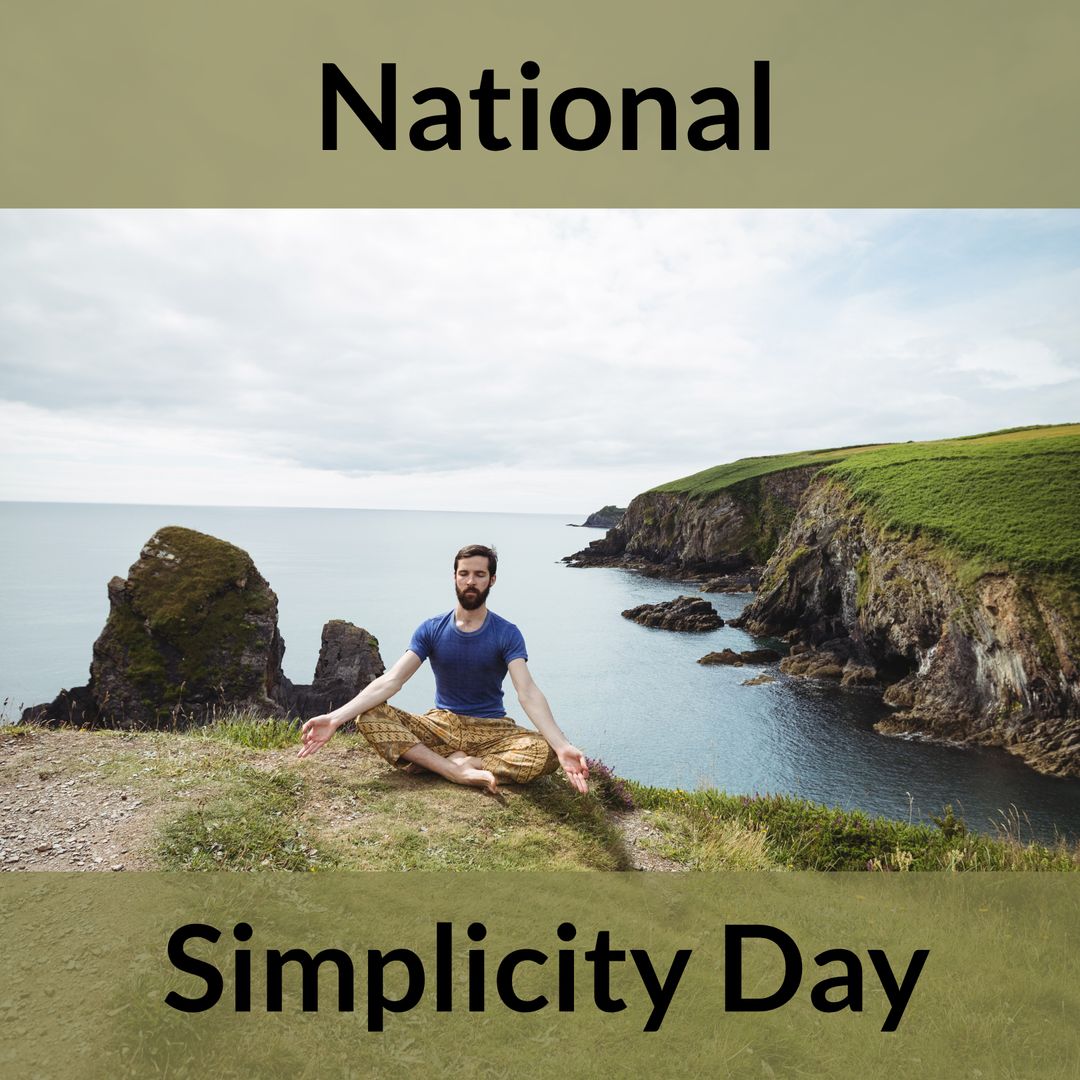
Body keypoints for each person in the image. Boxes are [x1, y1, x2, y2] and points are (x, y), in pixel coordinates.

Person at [297, 544, 589, 796]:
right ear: (454, 577)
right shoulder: (432, 629)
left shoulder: (507, 633)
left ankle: (465, 764)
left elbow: (526, 692)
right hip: (442, 724)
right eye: (464, 574)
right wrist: (334, 719)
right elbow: (392, 680)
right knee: (369, 715)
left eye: (479, 574)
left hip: (491, 728)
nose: (470, 581)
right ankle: (452, 769)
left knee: (547, 751)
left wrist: (563, 746)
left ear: (492, 580)